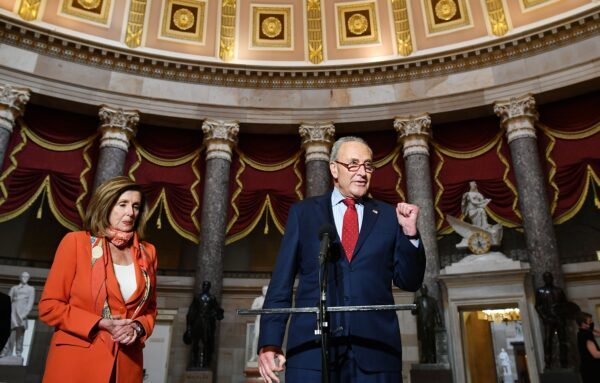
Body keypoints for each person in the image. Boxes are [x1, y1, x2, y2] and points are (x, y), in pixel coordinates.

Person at [257, 136, 426, 383]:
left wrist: (411, 234)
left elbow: (410, 281)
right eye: (353, 164)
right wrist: (270, 341)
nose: (362, 173)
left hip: (375, 353)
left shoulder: (390, 217)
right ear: (334, 168)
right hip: (312, 352)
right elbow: (281, 282)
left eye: (368, 166)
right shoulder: (303, 214)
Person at [38, 176, 158, 383]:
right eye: (123, 204)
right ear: (105, 205)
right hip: (76, 364)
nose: (131, 212)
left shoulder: (148, 252)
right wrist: (101, 323)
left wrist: (137, 328)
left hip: (126, 365)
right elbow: (49, 307)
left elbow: (150, 310)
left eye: (136, 206)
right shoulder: (75, 243)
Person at [183, 280, 224, 369]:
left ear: (209, 287)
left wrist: (218, 313)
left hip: (207, 322)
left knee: (207, 343)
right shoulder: (197, 297)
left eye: (206, 285)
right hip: (198, 322)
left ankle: (205, 364)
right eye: (204, 285)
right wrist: (189, 327)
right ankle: (194, 363)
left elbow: (217, 310)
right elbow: (192, 311)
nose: (205, 287)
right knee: (195, 343)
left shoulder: (212, 298)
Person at [534, 271, 568, 369]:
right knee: (547, 340)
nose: (548, 279)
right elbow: (537, 306)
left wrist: (562, 316)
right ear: (544, 279)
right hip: (548, 319)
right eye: (546, 277)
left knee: (563, 341)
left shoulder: (559, 291)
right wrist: (544, 317)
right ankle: (548, 362)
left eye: (549, 277)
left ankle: (564, 362)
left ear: (552, 278)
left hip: (559, 318)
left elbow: (565, 305)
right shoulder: (540, 291)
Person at [1, 271, 35, 358]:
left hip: (22, 313)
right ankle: (5, 352)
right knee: (8, 332)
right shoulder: (14, 288)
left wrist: (24, 315)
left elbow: (30, 304)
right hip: (13, 311)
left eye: (27, 277)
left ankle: (18, 352)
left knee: (20, 335)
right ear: (20, 278)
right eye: (23, 277)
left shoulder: (31, 289)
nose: (25, 278)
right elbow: (8, 300)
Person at [411, 284, 442, 364]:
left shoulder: (432, 300)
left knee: (431, 341)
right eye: (422, 290)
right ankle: (424, 357)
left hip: (430, 324)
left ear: (427, 291)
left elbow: (437, 312)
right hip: (422, 324)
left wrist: (439, 322)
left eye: (424, 289)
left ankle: (432, 357)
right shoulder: (418, 300)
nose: (423, 291)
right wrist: (416, 306)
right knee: (423, 342)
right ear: (421, 291)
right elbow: (413, 312)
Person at [575, 311, 600, 383]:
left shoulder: (581, 333)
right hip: (592, 370)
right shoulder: (586, 335)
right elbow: (595, 354)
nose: (592, 322)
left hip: (589, 369)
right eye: (589, 321)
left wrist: (592, 328)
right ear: (583, 323)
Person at [249, 285, 268, 363]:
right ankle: (254, 356)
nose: (265, 292)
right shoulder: (258, 299)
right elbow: (252, 309)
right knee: (256, 336)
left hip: (268, 322)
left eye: (266, 290)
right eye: (263, 290)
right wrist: (260, 307)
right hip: (259, 321)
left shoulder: (271, 300)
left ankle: (266, 357)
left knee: (267, 339)